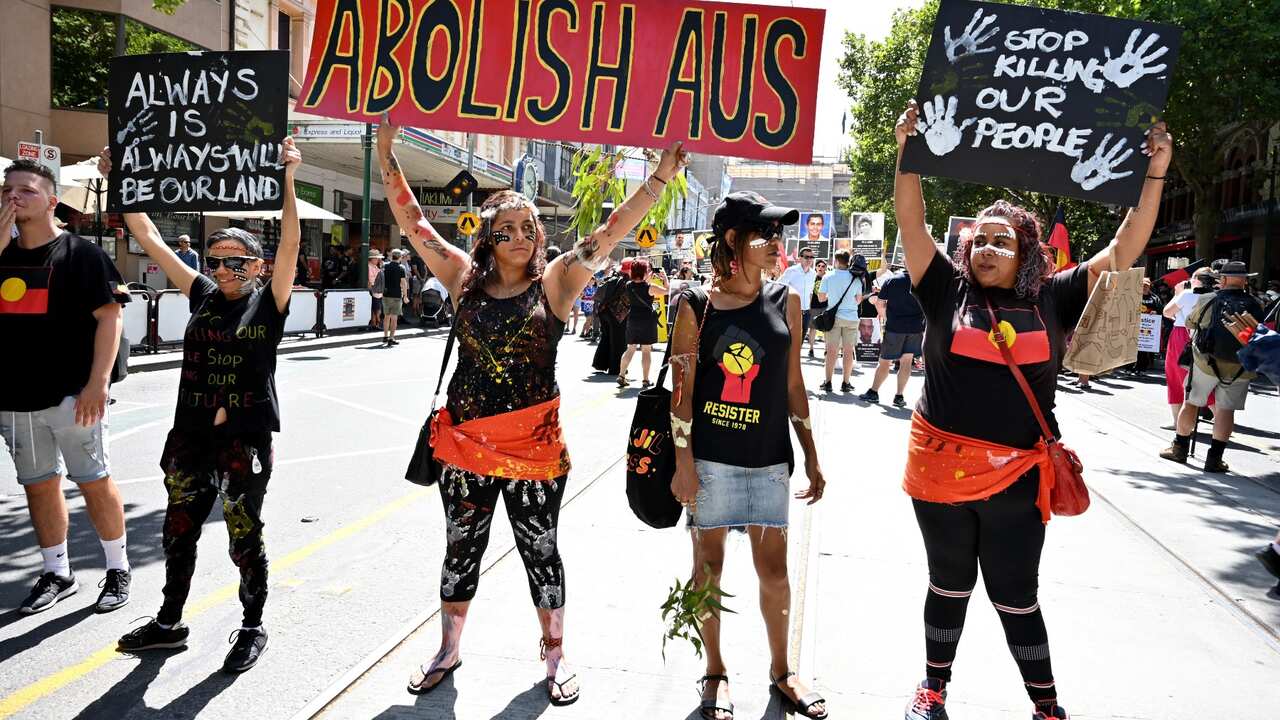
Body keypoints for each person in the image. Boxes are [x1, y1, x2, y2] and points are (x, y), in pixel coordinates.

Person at [377, 116, 687, 702]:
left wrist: (658, 179)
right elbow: (415, 223)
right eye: (508, 230)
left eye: (529, 228)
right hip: (465, 448)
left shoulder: (557, 283)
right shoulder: (461, 277)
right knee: (459, 548)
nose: (521, 237)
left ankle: (555, 655)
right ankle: (448, 648)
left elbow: (612, 231)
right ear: (488, 239)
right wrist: (386, 150)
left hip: (535, 452)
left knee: (540, 551)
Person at [894, 100, 1172, 720]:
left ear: (1028, 254)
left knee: (1016, 596)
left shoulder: (1057, 296)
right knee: (948, 585)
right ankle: (932, 692)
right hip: (940, 475)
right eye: (978, 240)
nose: (987, 249)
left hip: (1019, 479)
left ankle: (1047, 709)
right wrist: (907, 152)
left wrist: (1153, 174)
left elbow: (1124, 248)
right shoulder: (944, 287)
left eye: (1003, 241)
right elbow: (911, 222)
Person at [103, 137, 303, 672]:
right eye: (216, 260)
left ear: (257, 266)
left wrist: (287, 177)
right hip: (190, 437)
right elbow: (146, 234)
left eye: (236, 261)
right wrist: (124, 177)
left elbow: (290, 245)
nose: (223, 269)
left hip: (242, 440)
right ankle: (169, 623)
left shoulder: (270, 302)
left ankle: (252, 625)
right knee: (178, 532)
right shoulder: (202, 294)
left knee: (243, 535)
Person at [668, 191, 827, 720]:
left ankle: (782, 672)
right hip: (710, 461)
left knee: (774, 573)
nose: (777, 244)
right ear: (733, 240)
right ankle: (714, 670)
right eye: (765, 234)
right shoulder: (694, 303)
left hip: (768, 459)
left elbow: (792, 384)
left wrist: (810, 453)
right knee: (707, 570)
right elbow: (681, 393)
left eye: (779, 235)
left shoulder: (787, 301)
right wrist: (684, 464)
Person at [0, 158, 132, 615]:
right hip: (14, 400)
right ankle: (57, 572)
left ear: (52, 202)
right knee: (38, 486)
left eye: (27, 191)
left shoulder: (81, 254)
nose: (14, 197)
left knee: (92, 481)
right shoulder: (0, 253)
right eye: (7, 189)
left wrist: (97, 384)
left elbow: (110, 318)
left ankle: (117, 568)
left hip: (72, 396)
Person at [1159, 260, 1264, 473]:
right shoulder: (1256, 304)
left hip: (1206, 363)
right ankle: (1214, 459)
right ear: (1244, 281)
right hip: (1240, 366)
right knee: (1226, 410)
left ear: (1223, 280)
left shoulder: (1208, 299)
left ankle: (1179, 448)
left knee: (1191, 403)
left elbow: (1190, 323)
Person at [860, 266, 924, 407]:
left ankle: (874, 392)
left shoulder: (893, 280)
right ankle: (899, 396)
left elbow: (880, 303)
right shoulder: (924, 281)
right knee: (906, 362)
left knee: (885, 362)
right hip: (915, 328)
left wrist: (887, 318)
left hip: (895, 327)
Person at [1162, 267, 1215, 423]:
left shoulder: (1186, 294)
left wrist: (1177, 293)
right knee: (1202, 378)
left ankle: (1178, 422)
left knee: (1175, 376)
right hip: (1204, 336)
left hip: (1181, 335)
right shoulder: (1213, 296)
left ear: (1197, 279)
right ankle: (1219, 418)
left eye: (1192, 277)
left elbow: (1167, 312)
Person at [817, 250, 863, 392]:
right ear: (848, 261)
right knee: (848, 351)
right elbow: (858, 299)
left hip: (834, 318)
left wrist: (833, 295)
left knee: (832, 350)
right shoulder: (856, 278)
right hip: (851, 318)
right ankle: (846, 382)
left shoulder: (828, 277)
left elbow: (821, 298)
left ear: (836, 261)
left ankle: (828, 382)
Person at [618, 258, 665, 388]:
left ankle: (622, 375)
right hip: (647, 320)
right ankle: (645, 380)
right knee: (646, 350)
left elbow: (638, 286)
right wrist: (665, 279)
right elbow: (667, 291)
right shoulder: (650, 287)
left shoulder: (628, 285)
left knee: (630, 348)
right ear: (645, 271)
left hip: (632, 318)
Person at [592, 261, 631, 376]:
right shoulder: (626, 280)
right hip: (617, 314)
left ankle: (600, 363)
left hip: (604, 311)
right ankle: (616, 368)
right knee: (618, 341)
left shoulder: (613, 276)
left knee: (606, 338)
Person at [779, 247, 818, 353]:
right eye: (806, 257)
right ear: (800, 258)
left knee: (799, 342)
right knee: (789, 340)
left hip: (806, 312)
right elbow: (779, 287)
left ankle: (792, 364)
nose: (809, 259)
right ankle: (784, 364)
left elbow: (810, 292)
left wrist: (809, 308)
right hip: (792, 311)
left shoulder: (813, 274)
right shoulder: (791, 271)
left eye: (811, 257)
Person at [379, 248, 409, 346]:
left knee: (386, 316)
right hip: (396, 295)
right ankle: (391, 338)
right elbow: (404, 283)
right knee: (394, 318)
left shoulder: (385, 266)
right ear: (400, 257)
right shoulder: (401, 268)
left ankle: (385, 336)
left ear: (392, 256)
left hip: (386, 294)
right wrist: (405, 296)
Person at [807, 259, 828, 358]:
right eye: (819, 266)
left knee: (826, 330)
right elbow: (809, 293)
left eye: (823, 266)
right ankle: (811, 349)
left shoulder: (828, 278)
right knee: (812, 328)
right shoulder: (811, 278)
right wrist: (808, 306)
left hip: (826, 306)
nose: (821, 268)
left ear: (825, 268)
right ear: (815, 267)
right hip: (814, 307)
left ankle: (826, 350)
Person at [368, 250, 385, 330]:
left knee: (377, 308)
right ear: (371, 259)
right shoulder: (369, 267)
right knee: (375, 309)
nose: (378, 260)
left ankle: (376, 323)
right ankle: (375, 324)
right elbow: (371, 281)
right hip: (374, 291)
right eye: (376, 258)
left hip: (378, 291)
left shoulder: (375, 267)